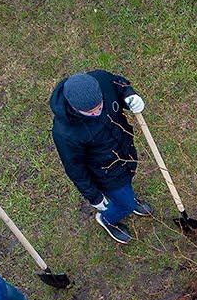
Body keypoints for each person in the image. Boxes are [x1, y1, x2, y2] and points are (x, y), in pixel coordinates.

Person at [49, 69, 154, 246]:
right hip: (106, 173)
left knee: (128, 183)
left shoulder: (101, 80)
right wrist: (95, 197)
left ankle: (128, 198)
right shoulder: (65, 134)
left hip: (125, 152)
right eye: (90, 111)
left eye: (100, 106)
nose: (98, 112)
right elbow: (75, 169)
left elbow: (120, 84)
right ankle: (107, 219)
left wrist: (130, 95)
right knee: (124, 204)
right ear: (74, 107)